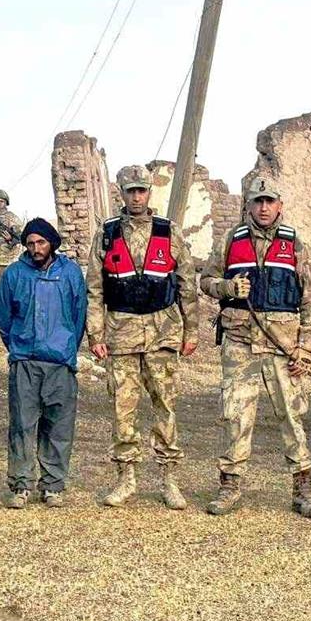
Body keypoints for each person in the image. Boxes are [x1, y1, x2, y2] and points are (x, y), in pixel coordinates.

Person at [198, 173, 311, 517]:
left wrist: (306, 349)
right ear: (249, 205)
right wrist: (226, 289)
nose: (264, 207)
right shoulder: (231, 239)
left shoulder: (296, 243)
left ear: (280, 205)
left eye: (270, 201)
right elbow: (206, 281)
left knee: (292, 416)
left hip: (283, 348)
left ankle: (303, 488)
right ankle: (230, 485)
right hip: (239, 344)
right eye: (258, 201)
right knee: (236, 415)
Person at [87, 164, 198, 510]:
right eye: (130, 190)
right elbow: (94, 288)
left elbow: (187, 284)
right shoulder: (106, 234)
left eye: (142, 190)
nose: (136, 196)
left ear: (150, 192)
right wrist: (95, 333)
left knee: (165, 407)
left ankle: (169, 479)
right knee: (123, 410)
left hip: (163, 333)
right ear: (121, 193)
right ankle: (126, 479)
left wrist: (191, 330)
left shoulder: (169, 232)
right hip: (120, 335)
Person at [0, 218, 87, 508]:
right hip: (25, 363)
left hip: (60, 362)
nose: (36, 248)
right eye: (30, 243)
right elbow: (3, 316)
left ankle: (53, 485)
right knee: (22, 424)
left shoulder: (70, 273)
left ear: (52, 243)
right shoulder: (14, 274)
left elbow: (79, 314)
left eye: (41, 242)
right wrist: (19, 346)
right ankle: (21, 484)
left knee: (58, 426)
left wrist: (68, 347)